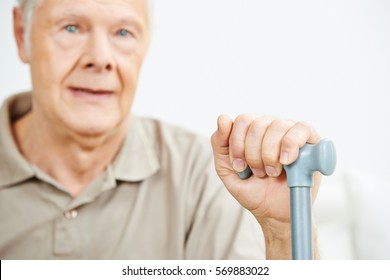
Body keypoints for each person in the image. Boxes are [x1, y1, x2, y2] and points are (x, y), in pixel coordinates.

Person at [0, 0, 321, 259]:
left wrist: (285, 232)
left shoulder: (203, 173)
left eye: (123, 32)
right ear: (20, 33)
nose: (100, 59)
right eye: (71, 27)